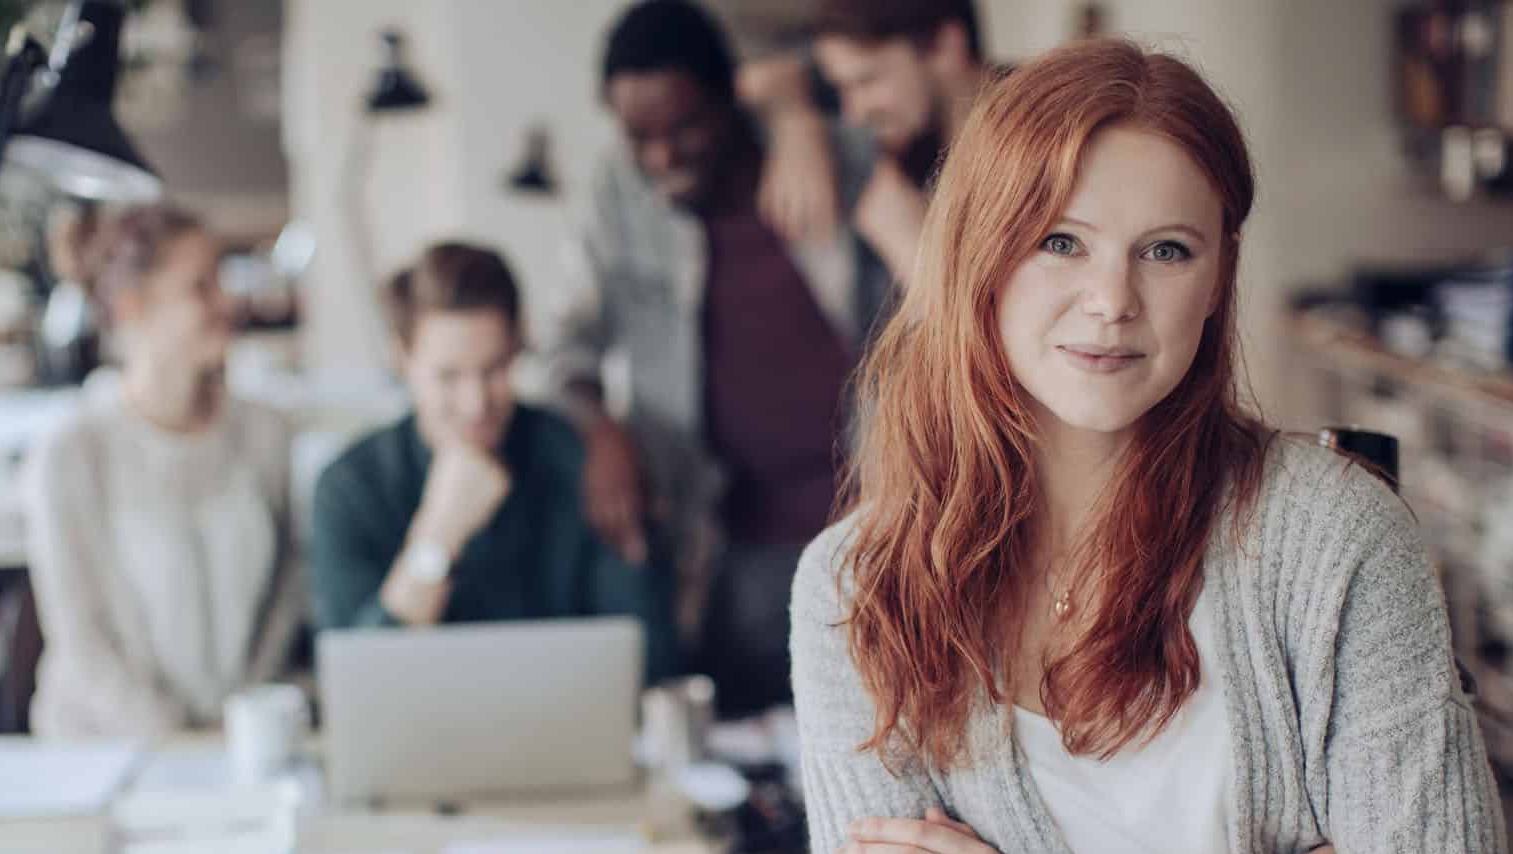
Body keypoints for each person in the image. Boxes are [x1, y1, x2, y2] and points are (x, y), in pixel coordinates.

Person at [791, 39, 1513, 854]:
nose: (1112, 301)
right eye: (1061, 241)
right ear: (979, 253)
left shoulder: (1333, 538)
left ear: (1217, 278)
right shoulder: (855, 587)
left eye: (1167, 251)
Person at [548, 0, 888, 716]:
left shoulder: (835, 154)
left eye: (685, 127)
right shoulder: (617, 190)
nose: (661, 157)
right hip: (723, 547)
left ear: (732, 95)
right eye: (639, 136)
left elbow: (930, 315)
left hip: (871, 526)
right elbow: (565, 349)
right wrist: (601, 431)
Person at [311, 242, 676, 684]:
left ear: (518, 343)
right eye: (449, 376)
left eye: (495, 369)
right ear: (402, 359)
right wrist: (438, 538)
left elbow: (649, 656)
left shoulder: (582, 463)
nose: (476, 402)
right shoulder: (348, 488)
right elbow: (356, 683)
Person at [25, 205, 303, 739]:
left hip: (236, 743)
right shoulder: (71, 454)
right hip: (105, 753)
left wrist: (238, 722)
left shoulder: (267, 432)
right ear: (132, 306)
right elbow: (82, 640)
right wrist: (178, 742)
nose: (227, 302)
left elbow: (286, 593)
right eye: (200, 287)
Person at [742, 0, 998, 284]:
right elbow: (762, 78)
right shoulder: (914, 139)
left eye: (867, 81)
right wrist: (796, 123)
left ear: (945, 47)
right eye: (840, 87)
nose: (855, 113)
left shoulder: (1037, 139)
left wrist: (912, 246)